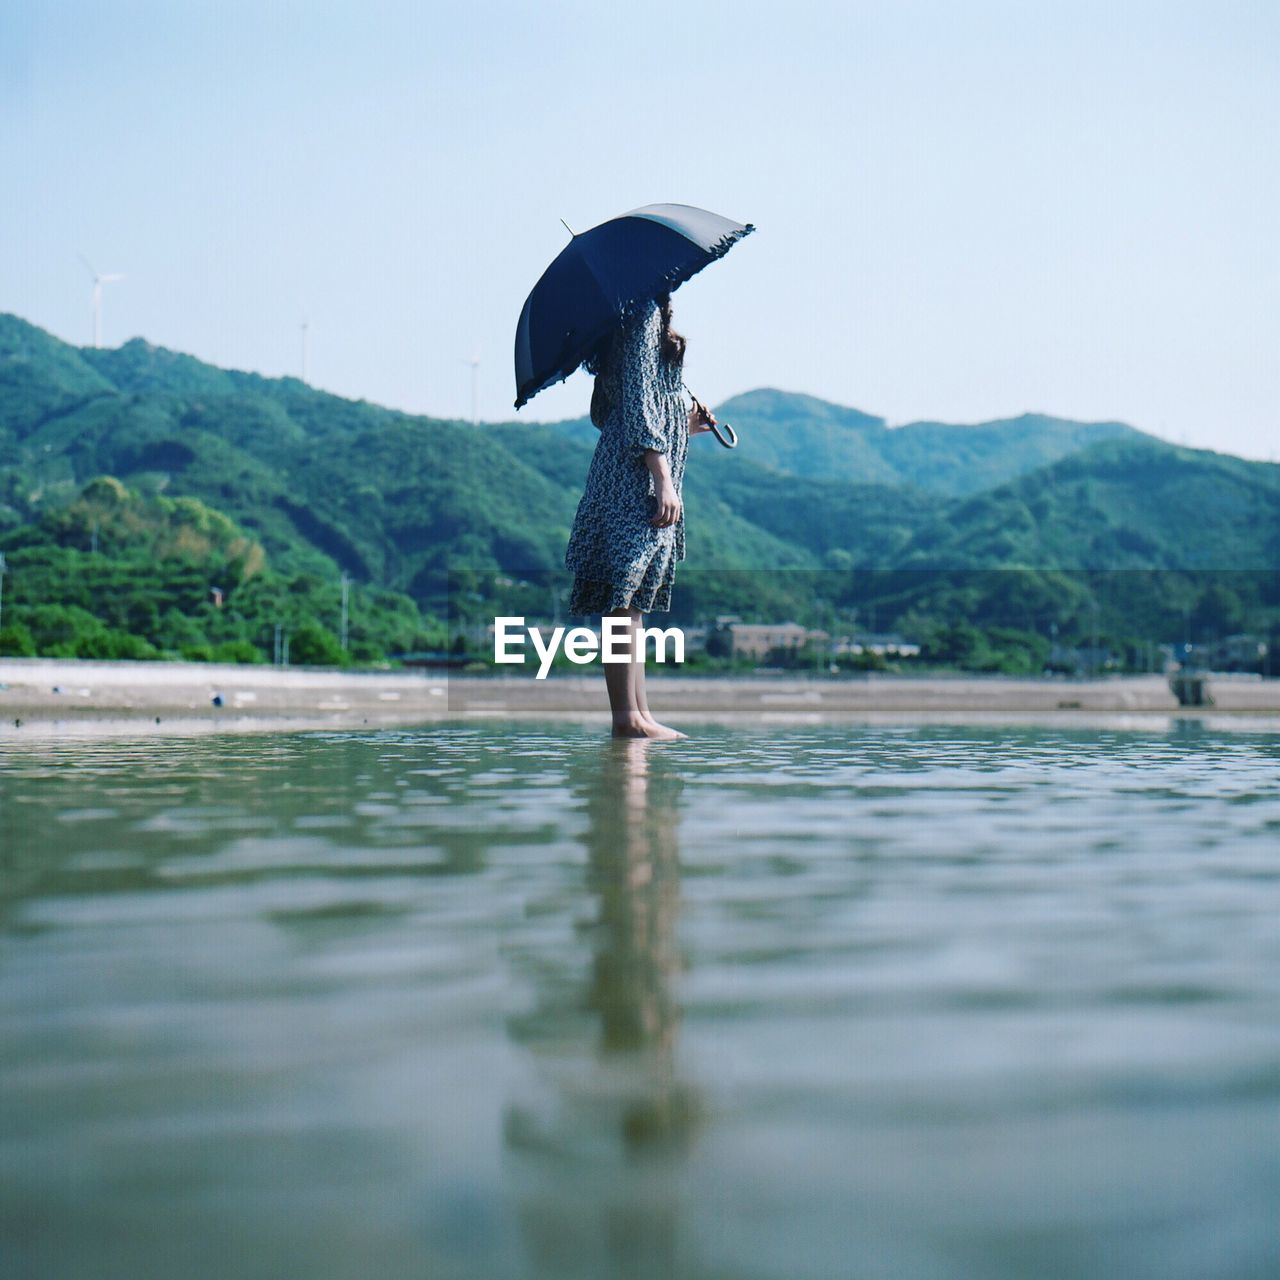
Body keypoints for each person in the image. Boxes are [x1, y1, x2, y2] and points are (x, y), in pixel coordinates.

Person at [565, 291, 718, 739]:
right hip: (633, 480)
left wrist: (681, 423)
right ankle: (628, 717)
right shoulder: (642, 313)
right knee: (624, 599)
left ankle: (638, 713)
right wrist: (661, 477)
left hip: (624, 471)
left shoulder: (624, 318)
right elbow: (635, 403)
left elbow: (607, 414)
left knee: (631, 602)